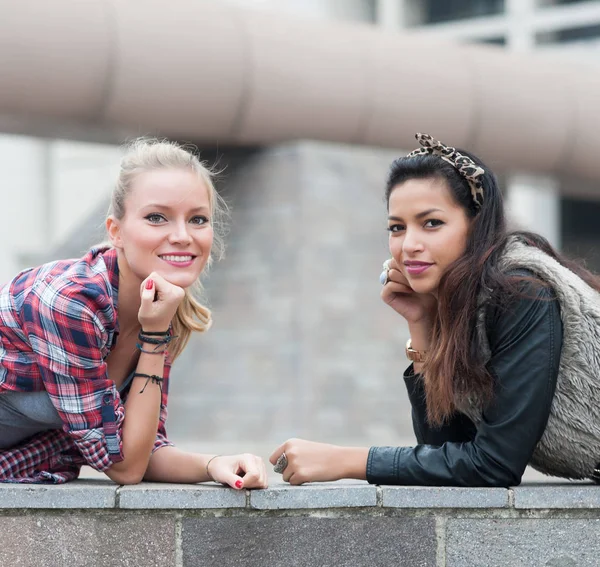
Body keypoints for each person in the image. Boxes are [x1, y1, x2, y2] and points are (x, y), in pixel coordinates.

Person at [270, 132, 600, 487]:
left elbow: (494, 464)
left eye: (431, 223)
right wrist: (422, 324)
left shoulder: (521, 292)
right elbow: (446, 448)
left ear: (476, 226)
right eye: (397, 227)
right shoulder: (465, 301)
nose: (409, 245)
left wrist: (347, 461)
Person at [0, 138, 268, 488]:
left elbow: (141, 446)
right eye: (157, 217)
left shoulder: (161, 303)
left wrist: (216, 464)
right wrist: (154, 338)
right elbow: (124, 467)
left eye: (198, 219)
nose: (183, 236)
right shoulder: (68, 303)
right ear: (117, 231)